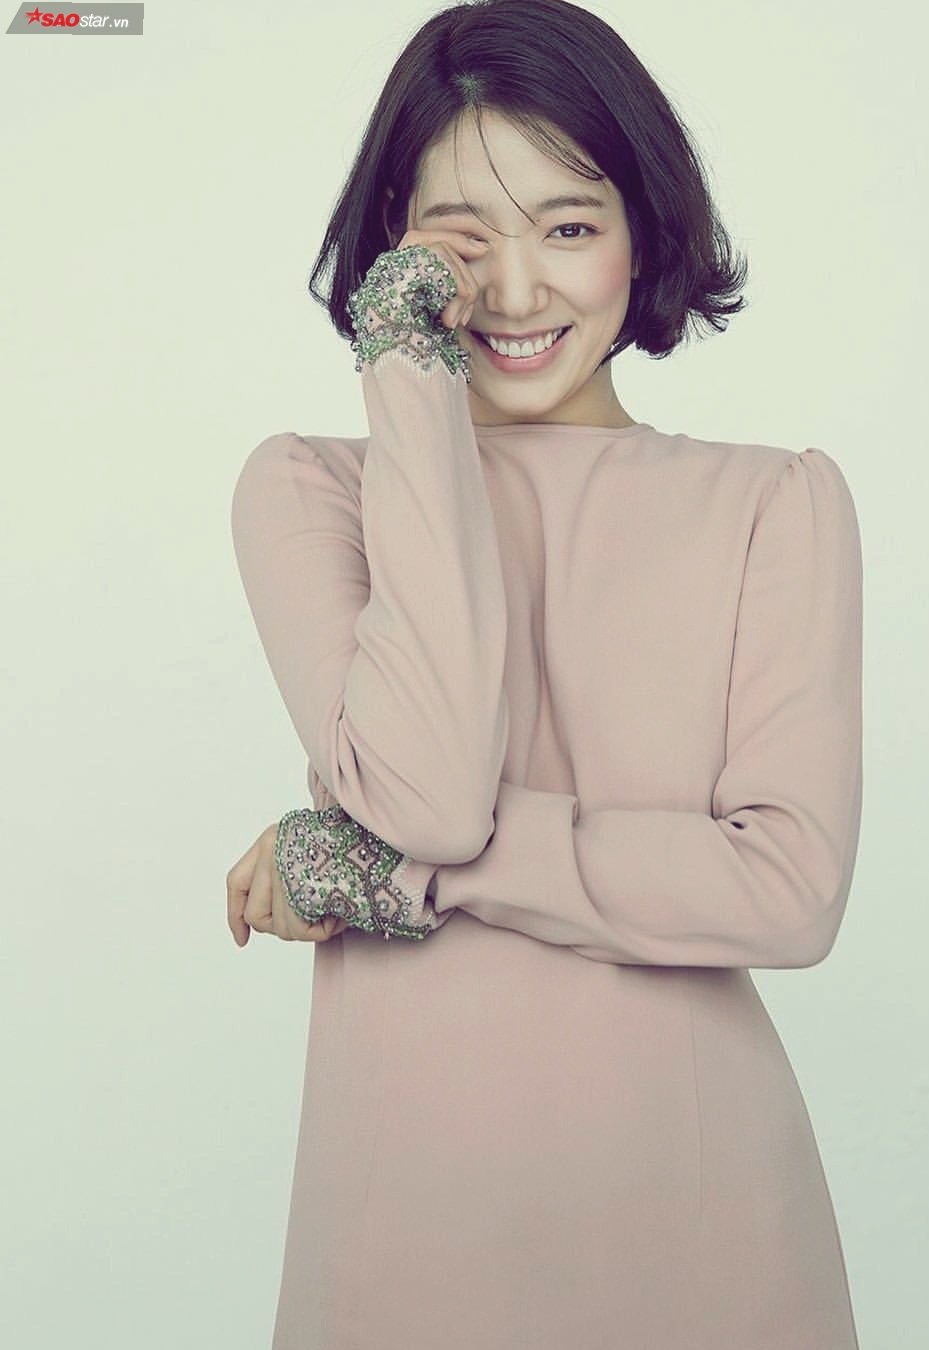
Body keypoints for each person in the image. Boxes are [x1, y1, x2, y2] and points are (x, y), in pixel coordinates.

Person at [225, 1, 864, 1345]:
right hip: (406, 1232)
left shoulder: (775, 504)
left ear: (643, 229)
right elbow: (432, 787)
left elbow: (789, 890)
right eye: (461, 242)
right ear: (397, 237)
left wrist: (402, 875)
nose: (513, 294)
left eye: (569, 228)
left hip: (705, 1227)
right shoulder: (312, 492)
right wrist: (409, 379)